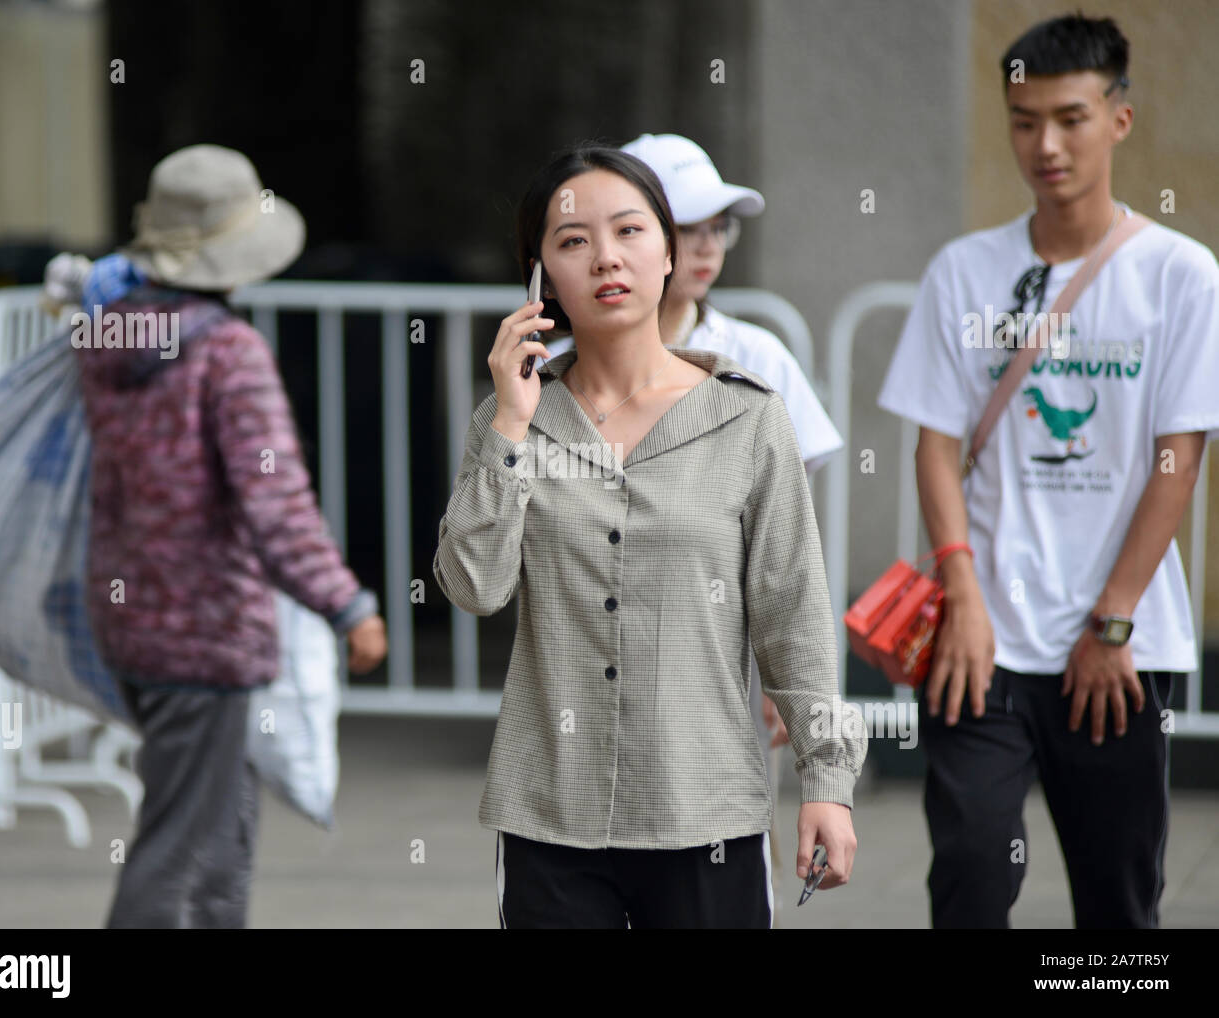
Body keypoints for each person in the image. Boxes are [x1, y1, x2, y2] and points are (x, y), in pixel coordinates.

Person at [433, 144, 866, 928]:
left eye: (630, 231)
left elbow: (792, 610)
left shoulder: (747, 415)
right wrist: (508, 424)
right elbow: (473, 587)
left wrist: (826, 783)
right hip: (549, 818)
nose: (606, 257)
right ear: (540, 280)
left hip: (705, 816)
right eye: (572, 241)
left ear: (669, 252)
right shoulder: (514, 419)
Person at [877, 15, 1219, 928]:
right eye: (1024, 120)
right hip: (980, 643)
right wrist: (964, 593)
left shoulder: (1180, 276)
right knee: (973, 871)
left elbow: (1177, 460)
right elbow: (936, 443)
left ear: (1120, 120)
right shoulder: (965, 271)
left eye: (1069, 117)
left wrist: (1114, 621)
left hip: (1119, 644)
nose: (1045, 144)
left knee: (1117, 899)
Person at [72, 144, 388, 927]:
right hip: (204, 632)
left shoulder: (105, 338)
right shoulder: (229, 352)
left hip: (130, 622)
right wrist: (347, 604)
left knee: (220, 829)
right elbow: (274, 503)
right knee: (180, 846)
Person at [540, 134, 842, 907]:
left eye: (720, 227)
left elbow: (788, 568)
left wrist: (815, 741)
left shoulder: (752, 370)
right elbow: (474, 581)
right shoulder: (530, 405)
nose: (706, 244)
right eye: (690, 222)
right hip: (562, 798)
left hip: (710, 739)